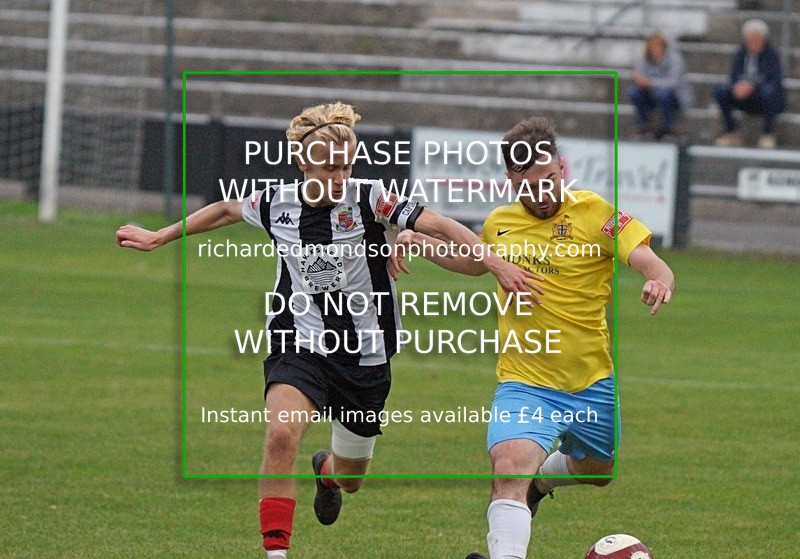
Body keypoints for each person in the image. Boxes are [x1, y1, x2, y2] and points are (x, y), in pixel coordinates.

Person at [116, 102, 536, 558]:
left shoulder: (371, 197)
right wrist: (160, 236)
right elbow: (224, 211)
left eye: (347, 165)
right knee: (281, 433)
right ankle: (276, 553)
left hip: (366, 354)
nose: (341, 175)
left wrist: (491, 261)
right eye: (330, 167)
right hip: (299, 340)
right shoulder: (276, 202)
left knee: (352, 477)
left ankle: (328, 473)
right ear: (302, 163)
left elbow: (439, 223)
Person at [395, 116, 675, 559]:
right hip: (525, 381)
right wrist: (417, 241)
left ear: (561, 167)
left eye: (550, 178)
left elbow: (650, 260)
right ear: (511, 180)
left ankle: (542, 481)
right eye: (530, 183)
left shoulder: (597, 214)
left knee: (600, 469)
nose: (543, 191)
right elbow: (472, 262)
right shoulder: (500, 223)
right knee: (507, 469)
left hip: (590, 381)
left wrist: (660, 280)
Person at [713, 18, 785, 149]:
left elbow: (775, 80)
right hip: (743, 97)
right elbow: (733, 77)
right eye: (750, 38)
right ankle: (731, 132)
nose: (753, 41)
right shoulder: (740, 54)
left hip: (763, 97)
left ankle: (768, 134)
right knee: (720, 91)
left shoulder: (772, 55)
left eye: (757, 38)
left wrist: (753, 86)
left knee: (769, 92)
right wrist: (737, 87)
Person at [627, 32, 693, 140]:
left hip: (674, 97)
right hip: (652, 95)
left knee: (664, 93)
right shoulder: (644, 60)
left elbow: (673, 82)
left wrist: (650, 82)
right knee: (634, 92)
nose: (655, 50)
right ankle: (644, 126)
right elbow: (639, 76)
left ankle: (667, 128)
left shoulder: (675, 60)